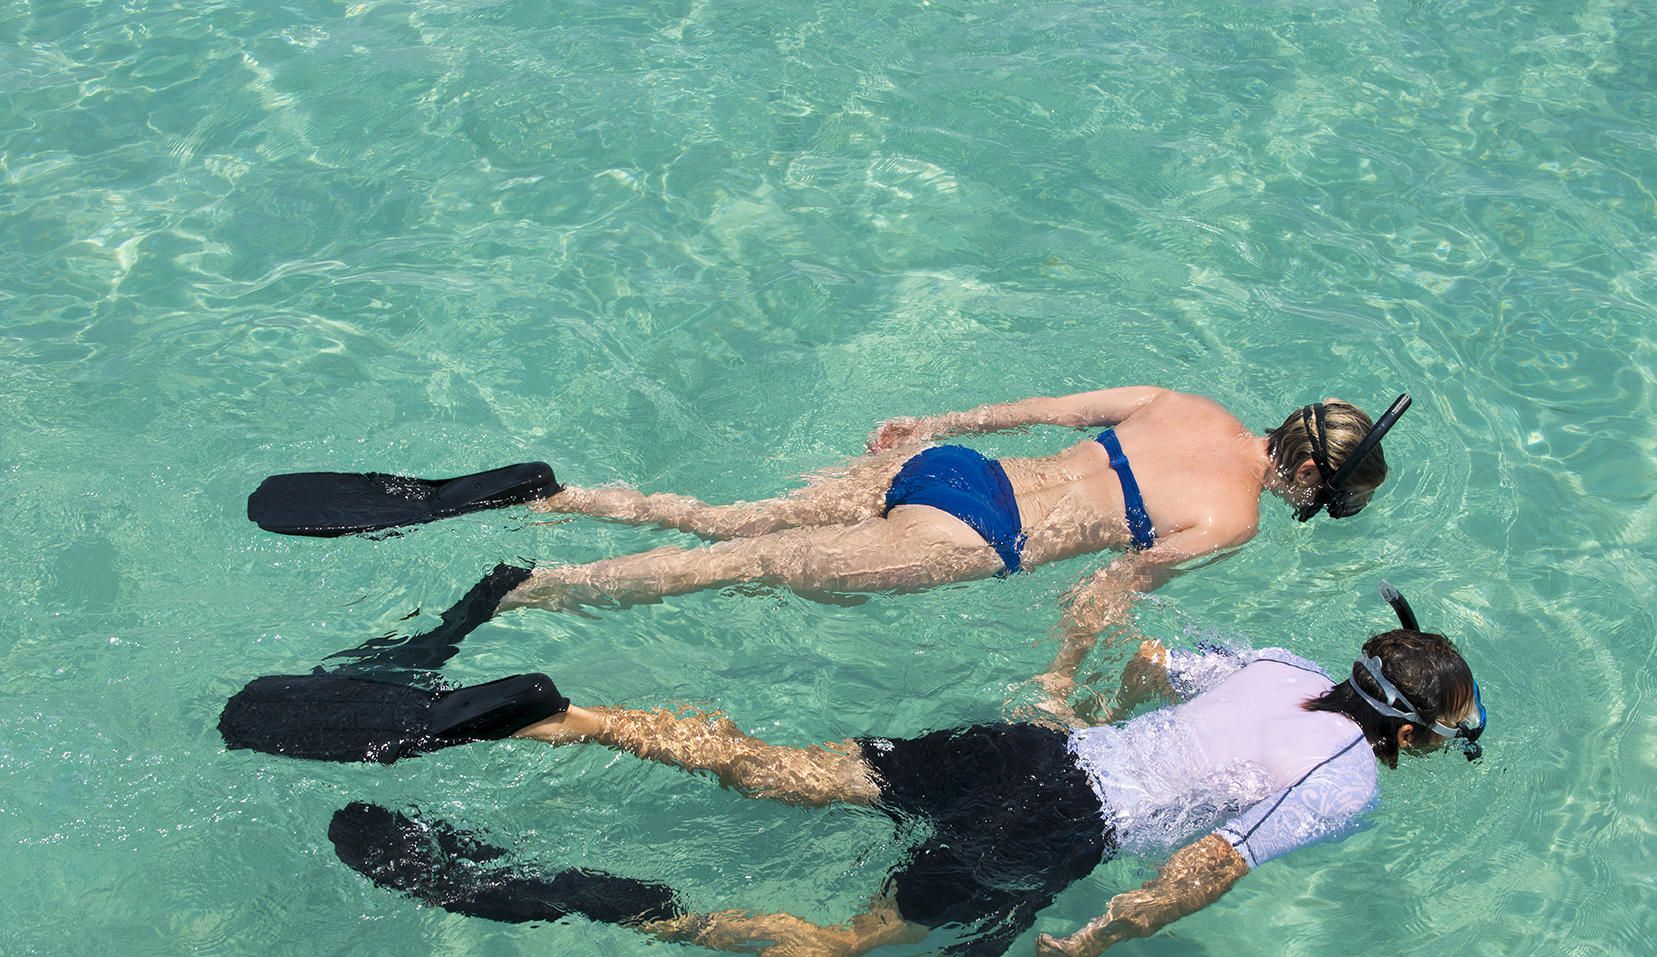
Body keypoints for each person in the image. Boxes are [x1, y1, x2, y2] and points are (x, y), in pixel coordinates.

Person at [277, 584, 1484, 957]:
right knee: (838, 949)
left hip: (1026, 756)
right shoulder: (1344, 786)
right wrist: (1101, 938)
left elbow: (1158, 657)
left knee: (767, 770)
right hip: (1061, 828)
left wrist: (1095, 709)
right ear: (1414, 737)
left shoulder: (1280, 667)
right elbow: (1206, 865)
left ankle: (559, 717)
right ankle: (639, 907)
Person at [248, 389, 1409, 668]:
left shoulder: (1189, 402)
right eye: (1324, 493)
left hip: (955, 463)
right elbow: (1099, 594)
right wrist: (1062, 685)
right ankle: (526, 586)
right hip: (969, 541)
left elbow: (1046, 407)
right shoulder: (1235, 516)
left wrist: (928, 423)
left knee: (723, 519)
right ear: (1309, 470)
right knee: (744, 568)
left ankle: (545, 493)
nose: (1310, 506)